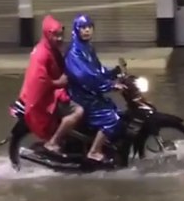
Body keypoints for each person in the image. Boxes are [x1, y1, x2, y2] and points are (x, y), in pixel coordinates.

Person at [18, 15, 84, 156]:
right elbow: (39, 79)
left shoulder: (52, 48)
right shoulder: (42, 53)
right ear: (48, 34)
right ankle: (53, 142)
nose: (59, 39)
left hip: (57, 90)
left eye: (61, 35)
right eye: (56, 36)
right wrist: (57, 83)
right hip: (48, 95)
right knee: (78, 112)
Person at [65, 14, 126, 163]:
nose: (87, 31)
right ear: (76, 30)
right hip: (81, 95)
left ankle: (106, 145)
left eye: (89, 27)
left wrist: (114, 73)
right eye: (83, 28)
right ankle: (94, 151)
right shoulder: (74, 51)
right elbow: (86, 76)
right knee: (112, 118)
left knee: (116, 109)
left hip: (90, 93)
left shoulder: (87, 47)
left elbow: (97, 70)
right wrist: (109, 85)